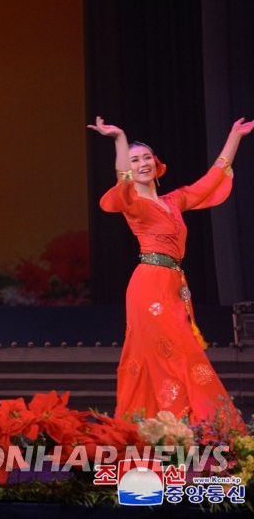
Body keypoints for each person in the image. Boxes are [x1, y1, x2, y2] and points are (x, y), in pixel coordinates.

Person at [88, 116, 252, 432]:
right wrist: (119, 138)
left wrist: (235, 136)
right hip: (148, 285)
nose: (142, 163)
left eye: (146, 156)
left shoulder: (172, 202)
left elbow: (211, 180)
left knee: (169, 354)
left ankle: (153, 429)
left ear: (156, 162)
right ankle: (185, 426)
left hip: (173, 284)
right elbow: (121, 184)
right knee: (174, 355)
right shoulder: (132, 202)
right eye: (135, 160)